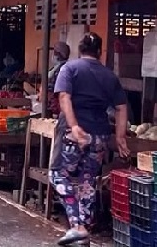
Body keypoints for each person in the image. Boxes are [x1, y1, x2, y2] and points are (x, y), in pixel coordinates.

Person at [50, 32, 129, 246]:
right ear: (100, 52)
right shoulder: (109, 76)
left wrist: (74, 126)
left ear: (80, 50)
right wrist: (120, 137)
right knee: (87, 181)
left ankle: (78, 226)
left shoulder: (70, 68)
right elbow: (121, 107)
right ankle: (82, 232)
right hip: (100, 135)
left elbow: (64, 97)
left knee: (58, 175)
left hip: (73, 135)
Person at [44, 41, 70, 118]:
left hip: (55, 103)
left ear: (60, 55)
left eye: (55, 52)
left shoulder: (63, 68)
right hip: (50, 101)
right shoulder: (56, 66)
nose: (53, 55)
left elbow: (55, 88)